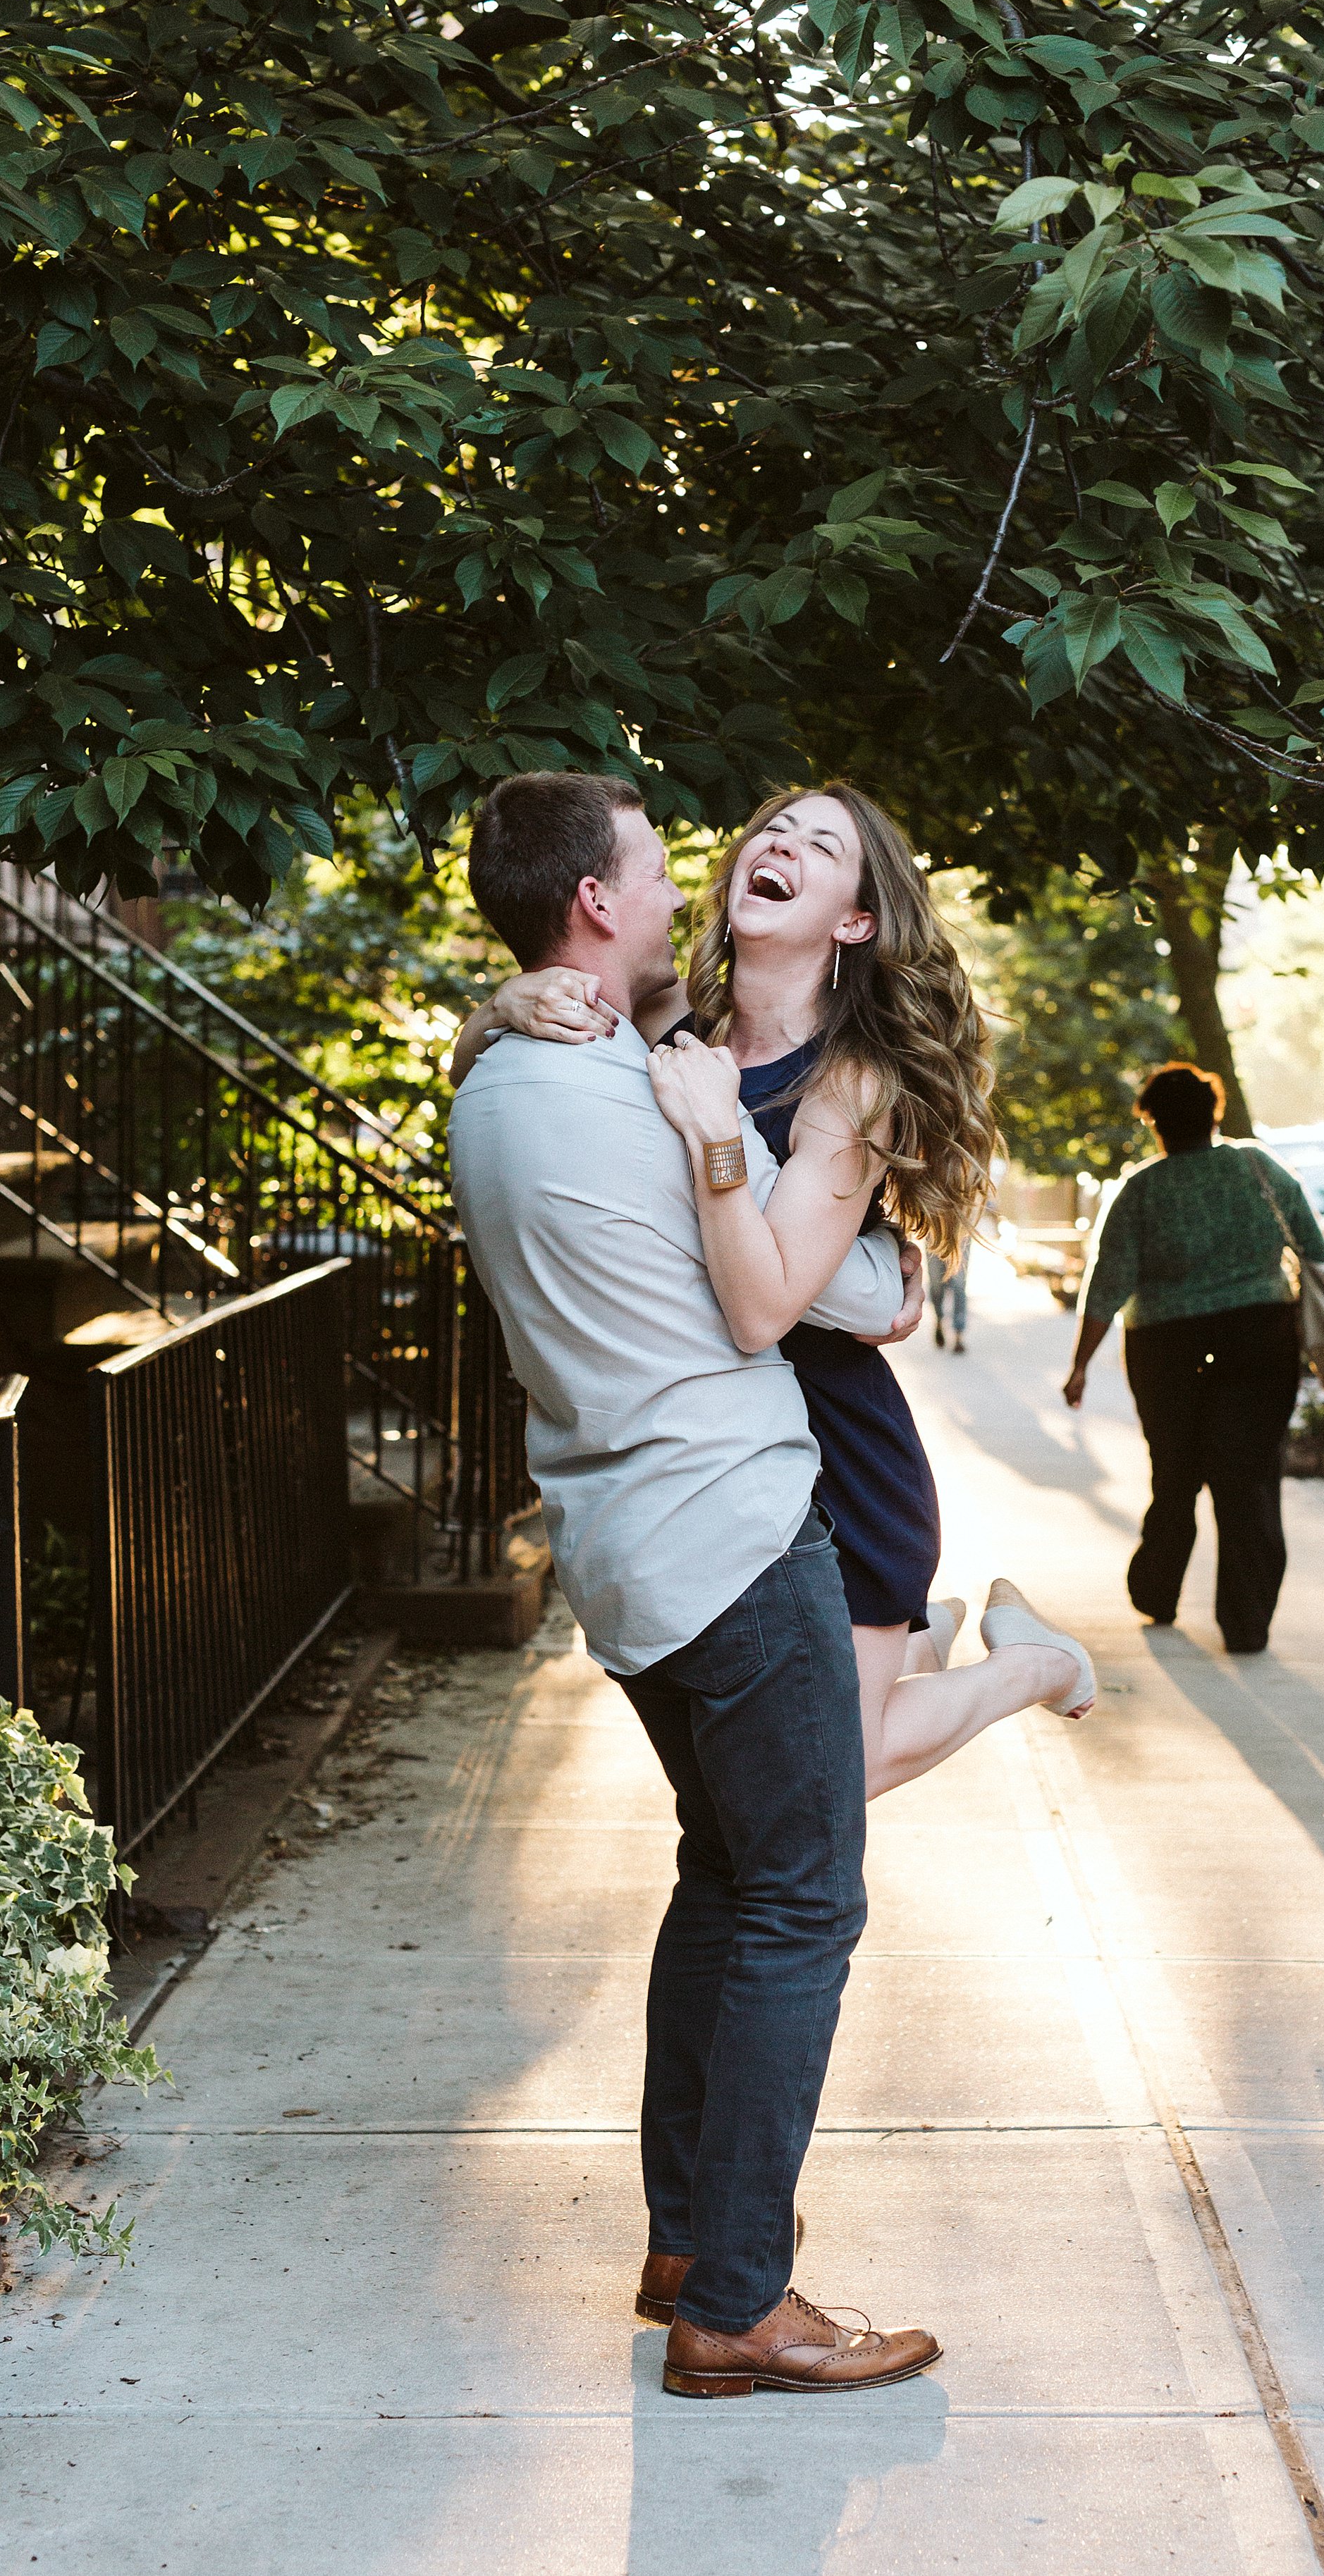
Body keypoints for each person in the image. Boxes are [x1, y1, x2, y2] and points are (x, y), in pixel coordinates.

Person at [449, 768, 940, 2398]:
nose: (704, 872)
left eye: (816, 846)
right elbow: (768, 1296)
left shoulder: (542, 1072)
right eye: (666, 862)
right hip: (733, 1532)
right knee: (804, 1894)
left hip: (662, 1538)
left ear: (860, 915)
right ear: (599, 902)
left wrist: (867, 1270)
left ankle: (690, 2242)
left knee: (730, 1879)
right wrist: (832, 1250)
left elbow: (846, 1277)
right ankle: (739, 2296)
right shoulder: (659, 1073)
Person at [456, 781, 1095, 1798]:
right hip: (727, 1447)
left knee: (850, 1765)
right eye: (773, 829)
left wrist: (718, 1139)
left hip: (837, 1442)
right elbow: (543, 1065)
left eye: (820, 843)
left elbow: (763, 1309)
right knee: (818, 1754)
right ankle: (927, 1638)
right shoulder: (677, 1022)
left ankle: (1036, 1663)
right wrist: (499, 1006)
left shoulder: (853, 1083)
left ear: (854, 917)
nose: (781, 842)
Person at [1062, 1061, 1324, 1653]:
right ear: (1215, 1114)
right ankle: (1247, 1624)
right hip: (1260, 1337)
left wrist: (1081, 1365)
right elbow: (1315, 1247)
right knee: (1251, 1481)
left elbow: (1107, 1285)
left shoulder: (1140, 1190)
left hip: (1166, 1347)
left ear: (1154, 1123)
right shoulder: (1258, 1167)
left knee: (1175, 1472)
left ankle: (1157, 1591)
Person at [926, 1246, 969, 1352]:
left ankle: (958, 1336)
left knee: (959, 1286)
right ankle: (939, 1320)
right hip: (934, 1237)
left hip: (961, 1236)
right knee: (936, 1285)